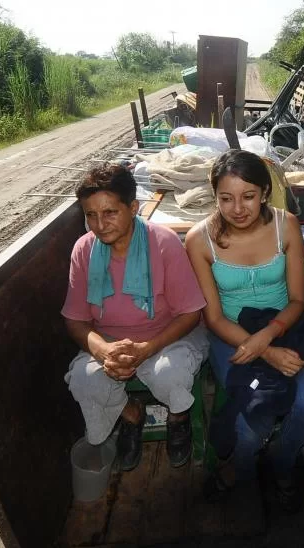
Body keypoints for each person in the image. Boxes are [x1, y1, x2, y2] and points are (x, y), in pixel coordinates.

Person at [185, 149, 304, 510]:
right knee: (253, 420)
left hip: (285, 328)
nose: (237, 209)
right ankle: (240, 470)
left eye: (248, 196)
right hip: (230, 334)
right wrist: (264, 351)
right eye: (226, 198)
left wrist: (269, 336)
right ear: (214, 195)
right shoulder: (199, 240)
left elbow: (298, 300)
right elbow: (213, 318)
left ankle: (282, 462)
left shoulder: (286, 225)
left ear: (264, 192)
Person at [62, 164, 208, 470]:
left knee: (171, 374)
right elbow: (75, 320)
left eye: (110, 212)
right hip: (110, 342)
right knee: (83, 380)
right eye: (91, 215)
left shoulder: (163, 242)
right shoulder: (83, 250)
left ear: (133, 207)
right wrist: (102, 350)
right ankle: (131, 414)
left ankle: (178, 417)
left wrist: (148, 348)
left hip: (167, 336)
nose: (99, 225)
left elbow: (191, 314)